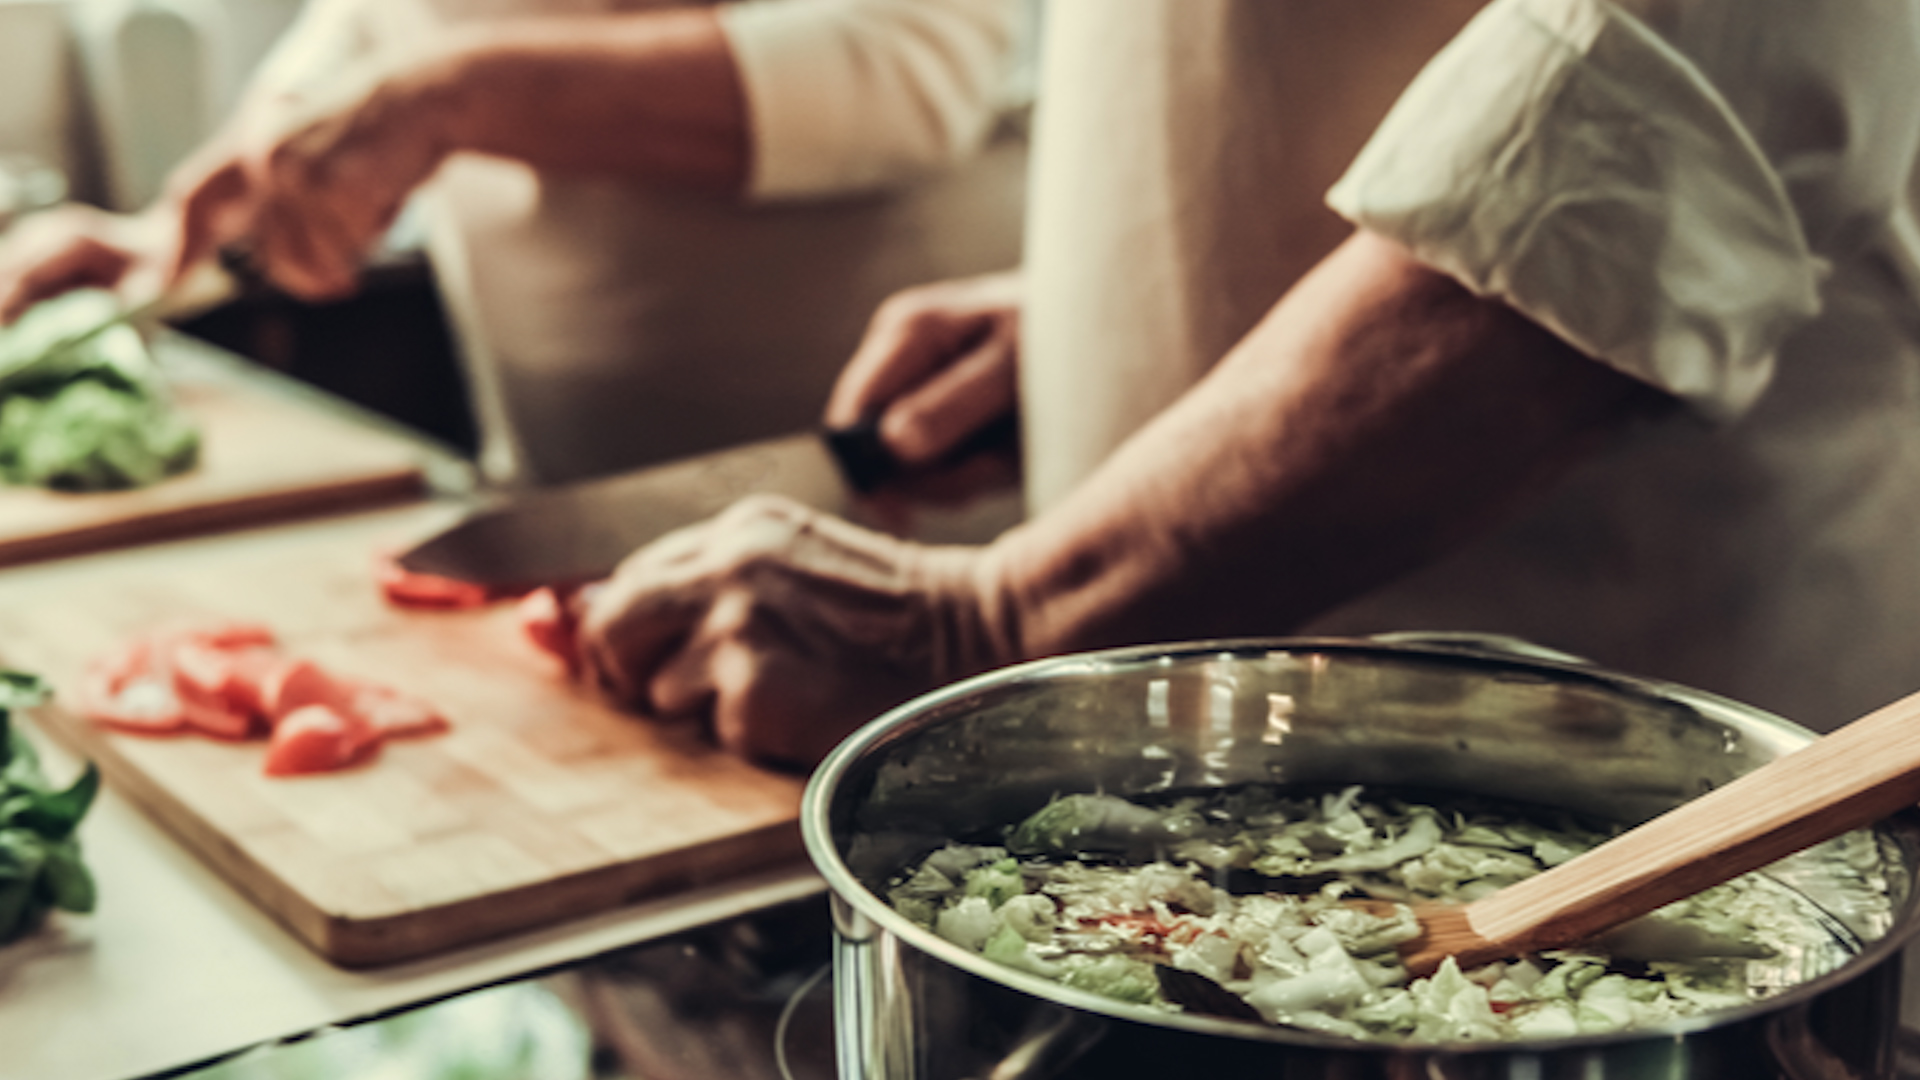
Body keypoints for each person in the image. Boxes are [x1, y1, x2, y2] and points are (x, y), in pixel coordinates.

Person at [569, 0, 1920, 769]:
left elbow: (1645, 143)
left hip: (1612, 795)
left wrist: (985, 626)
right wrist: (1118, 311)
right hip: (1197, 781)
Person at [0, 0, 1031, 483]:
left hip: (909, 486)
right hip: (561, 499)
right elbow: (375, 33)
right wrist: (173, 242)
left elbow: (913, 64)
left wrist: (453, 95)